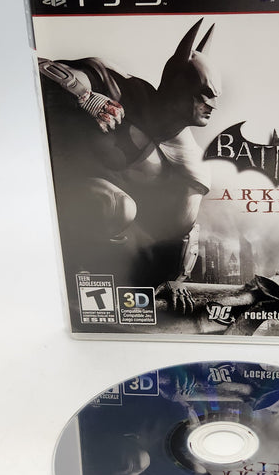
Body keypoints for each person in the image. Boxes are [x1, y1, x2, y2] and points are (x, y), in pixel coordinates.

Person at [38, 19, 220, 300]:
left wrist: (172, 282)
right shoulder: (119, 86)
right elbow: (39, 68)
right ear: (179, 86)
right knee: (113, 205)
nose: (212, 105)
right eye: (204, 94)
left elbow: (177, 236)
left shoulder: (190, 163)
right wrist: (84, 95)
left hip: (97, 228)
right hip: (46, 179)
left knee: (116, 207)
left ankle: (80, 277)